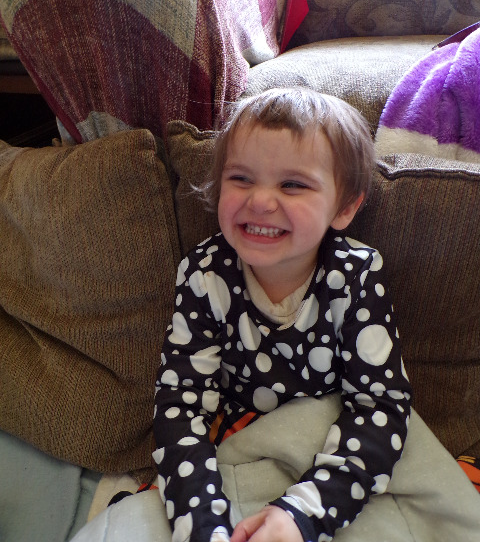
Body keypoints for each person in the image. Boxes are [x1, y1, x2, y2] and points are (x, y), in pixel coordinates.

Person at [153, 87, 412, 542]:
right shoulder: (204, 273)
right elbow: (180, 403)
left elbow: (381, 405)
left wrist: (303, 514)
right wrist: (201, 523)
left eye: (292, 185)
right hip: (235, 450)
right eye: (241, 178)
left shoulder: (355, 275)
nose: (260, 201)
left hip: (330, 455)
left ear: (345, 207)